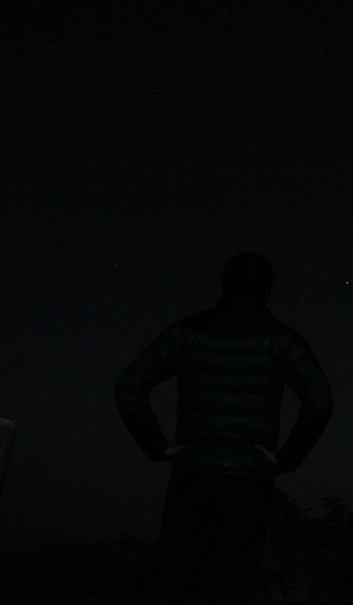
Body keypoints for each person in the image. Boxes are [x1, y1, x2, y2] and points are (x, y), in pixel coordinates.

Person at [115, 253, 333, 604]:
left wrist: (157, 446)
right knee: (233, 579)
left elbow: (129, 386)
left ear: (224, 284)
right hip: (249, 476)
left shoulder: (185, 332)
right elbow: (319, 400)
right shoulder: (283, 339)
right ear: (267, 289)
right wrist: (287, 457)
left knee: (173, 576)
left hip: (193, 472)